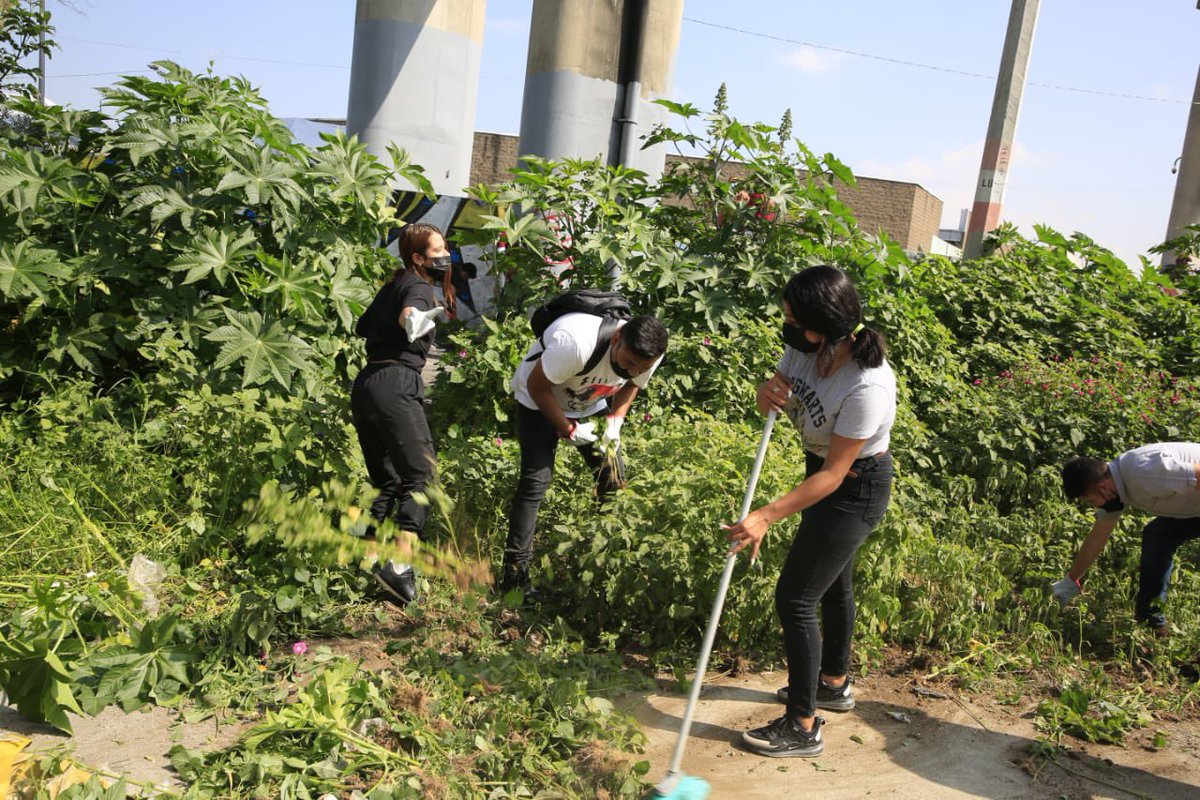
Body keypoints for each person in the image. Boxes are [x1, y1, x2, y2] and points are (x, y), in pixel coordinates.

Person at [725, 265, 895, 759]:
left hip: (855, 486)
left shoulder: (867, 386)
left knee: (796, 598)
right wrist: (766, 393)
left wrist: (765, 516)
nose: (786, 326)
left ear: (821, 326)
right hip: (821, 472)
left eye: (793, 319)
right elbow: (775, 395)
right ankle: (833, 684)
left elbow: (835, 474)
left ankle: (802, 726)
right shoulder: (805, 349)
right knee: (834, 584)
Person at [501, 310, 670, 594]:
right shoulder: (576, 343)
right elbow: (537, 386)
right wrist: (568, 429)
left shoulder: (650, 354)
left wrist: (615, 422)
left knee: (613, 478)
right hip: (538, 400)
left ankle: (600, 558)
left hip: (589, 402)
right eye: (629, 363)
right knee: (535, 482)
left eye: (641, 367)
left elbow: (631, 385)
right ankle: (515, 577)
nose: (633, 371)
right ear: (616, 339)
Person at [351, 222, 449, 606]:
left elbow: (363, 326)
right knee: (423, 475)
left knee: (387, 480)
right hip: (396, 382)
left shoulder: (392, 284)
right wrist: (414, 319)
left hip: (367, 384)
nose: (446, 256)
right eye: (438, 251)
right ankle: (400, 562)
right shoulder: (419, 286)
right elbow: (410, 313)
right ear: (418, 258)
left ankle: (368, 559)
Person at [1052, 443, 1200, 635]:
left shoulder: (1143, 471)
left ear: (1103, 487)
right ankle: (1151, 624)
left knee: (1159, 535)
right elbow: (1097, 537)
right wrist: (1072, 579)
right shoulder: (1117, 488)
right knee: (1158, 536)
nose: (1094, 506)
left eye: (1091, 501)